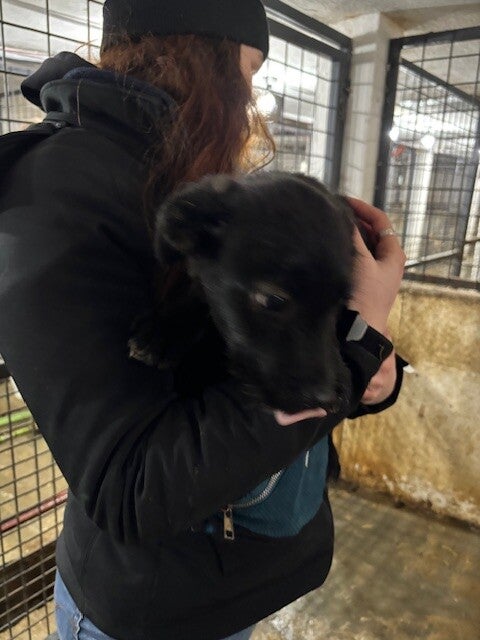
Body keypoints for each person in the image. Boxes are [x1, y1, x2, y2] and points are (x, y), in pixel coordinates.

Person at [0, 1, 406, 639]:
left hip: (235, 584)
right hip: (150, 612)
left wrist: (374, 366)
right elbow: (132, 488)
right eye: (247, 75)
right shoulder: (58, 191)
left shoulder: (201, 170)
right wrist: (358, 350)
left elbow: (287, 343)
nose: (249, 103)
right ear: (198, 54)